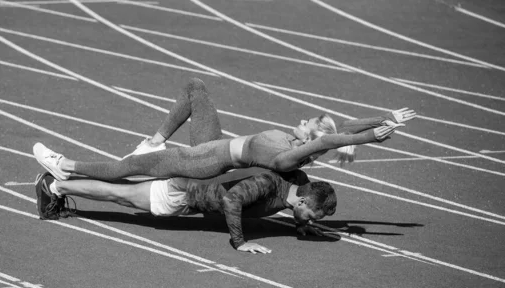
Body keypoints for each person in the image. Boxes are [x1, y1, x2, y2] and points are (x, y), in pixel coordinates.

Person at [33, 78, 415, 182]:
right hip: (214, 143)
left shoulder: (289, 155)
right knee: (196, 90)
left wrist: (368, 138)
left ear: (312, 136)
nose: (302, 119)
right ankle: (154, 140)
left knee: (129, 167)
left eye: (308, 122)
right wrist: (385, 119)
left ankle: (65, 165)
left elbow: (336, 137)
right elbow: (342, 128)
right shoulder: (299, 142)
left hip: (201, 161)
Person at [35, 166, 337, 254]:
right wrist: (240, 242)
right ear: (303, 202)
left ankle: (64, 182)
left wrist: (300, 224)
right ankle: (55, 186)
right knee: (121, 195)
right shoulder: (270, 185)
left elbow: (304, 179)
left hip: (190, 192)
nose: (312, 221)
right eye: (312, 216)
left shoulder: (298, 183)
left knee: (125, 187)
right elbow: (232, 201)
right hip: (184, 192)